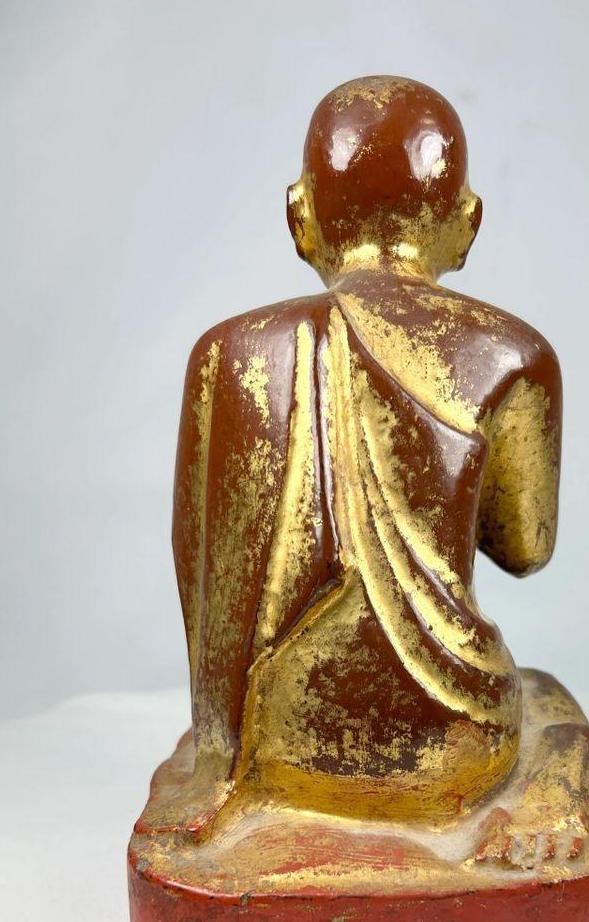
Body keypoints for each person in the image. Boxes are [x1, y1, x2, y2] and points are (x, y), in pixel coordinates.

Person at [172, 76, 562, 829]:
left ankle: (223, 781)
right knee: (557, 713)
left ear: (299, 215)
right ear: (467, 223)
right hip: (450, 740)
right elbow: (524, 549)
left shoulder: (228, 354)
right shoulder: (513, 354)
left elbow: (198, 556)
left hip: (268, 742)